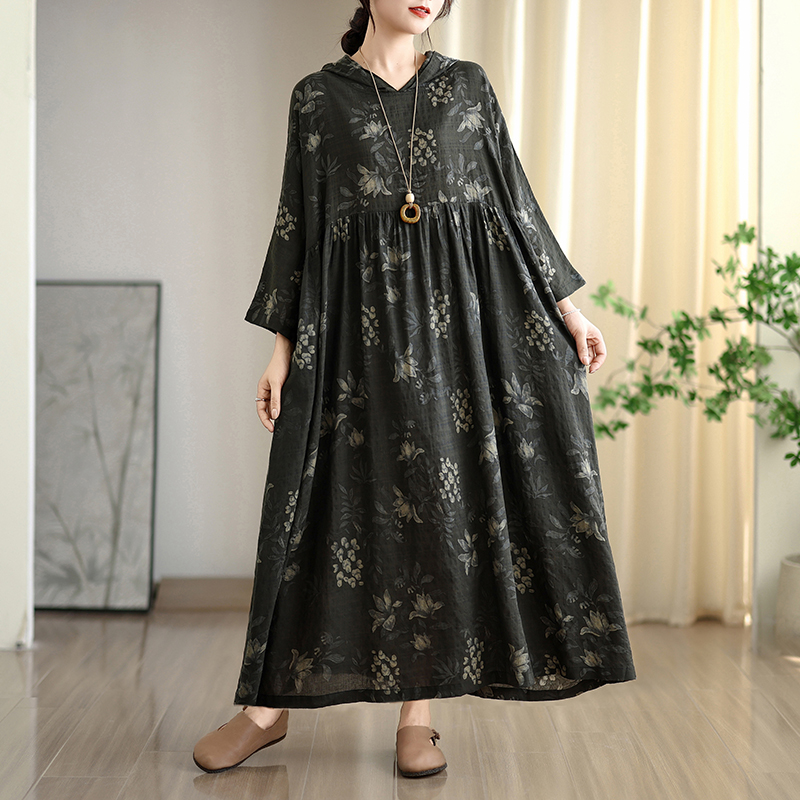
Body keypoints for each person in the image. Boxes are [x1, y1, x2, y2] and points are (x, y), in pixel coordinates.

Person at [193, 0, 636, 780]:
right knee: (311, 504)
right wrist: (280, 350)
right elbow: (297, 225)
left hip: (456, 335)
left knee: (436, 507)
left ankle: (418, 716)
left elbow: (512, 204)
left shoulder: (467, 86)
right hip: (348, 337)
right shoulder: (316, 98)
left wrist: (568, 310)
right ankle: (266, 709)